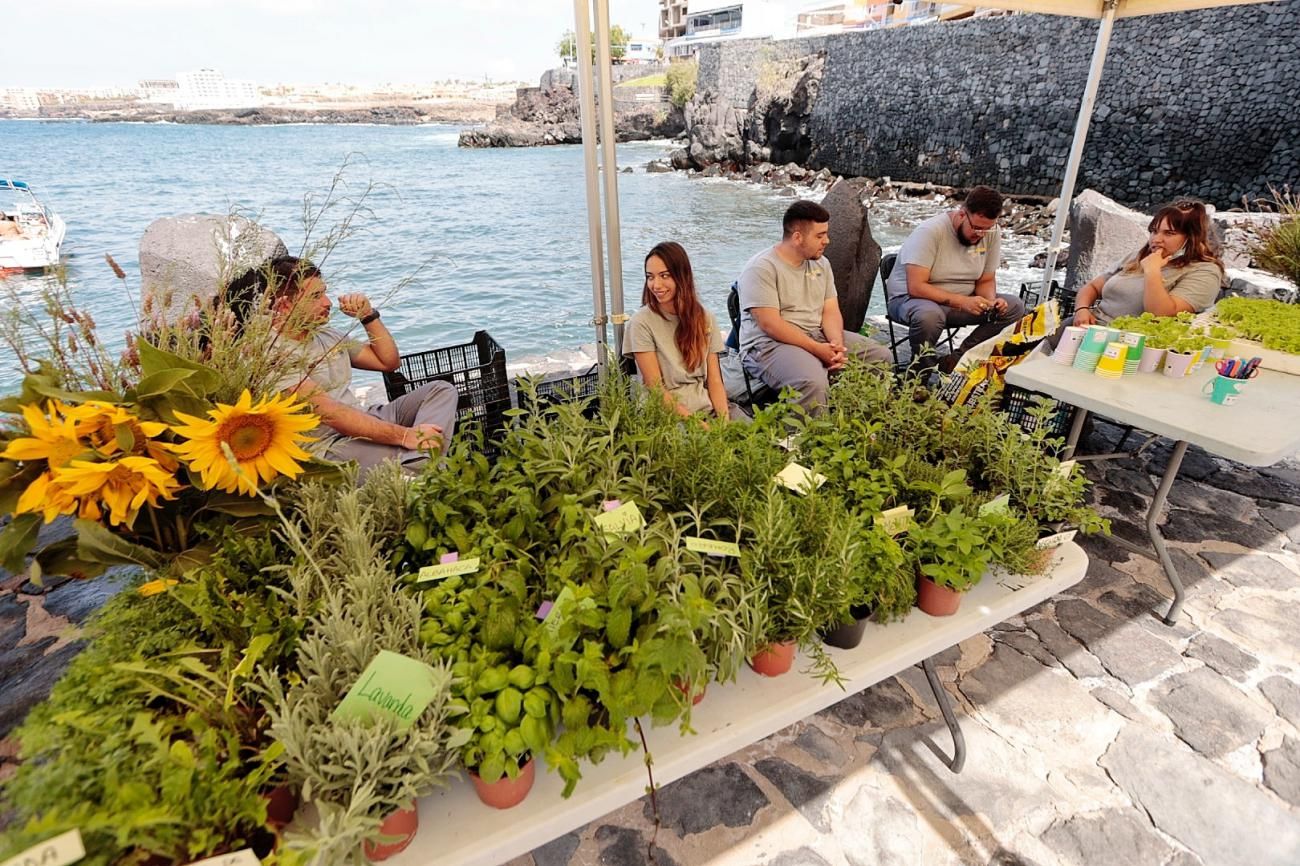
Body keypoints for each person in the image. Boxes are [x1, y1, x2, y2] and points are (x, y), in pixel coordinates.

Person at [253, 256, 458, 480]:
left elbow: (387, 362)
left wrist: (368, 316)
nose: (327, 302)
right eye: (315, 296)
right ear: (285, 305)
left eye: (324, 292)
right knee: (410, 460)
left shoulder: (324, 334)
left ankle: (420, 459)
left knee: (440, 390)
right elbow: (332, 415)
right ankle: (423, 465)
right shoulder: (271, 352)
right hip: (328, 444)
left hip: (361, 418)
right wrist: (406, 435)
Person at [737, 200, 892, 412]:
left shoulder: (822, 264)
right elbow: (770, 324)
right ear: (797, 237)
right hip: (768, 344)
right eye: (819, 236)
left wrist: (836, 344)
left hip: (815, 334)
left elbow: (830, 311)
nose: (827, 241)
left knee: (881, 357)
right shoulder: (761, 268)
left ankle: (859, 424)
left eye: (826, 234)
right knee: (813, 383)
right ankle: (803, 440)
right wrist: (818, 350)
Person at [884, 185, 1026, 371]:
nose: (980, 234)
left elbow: (985, 280)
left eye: (987, 229)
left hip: (961, 300)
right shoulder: (930, 232)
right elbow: (916, 287)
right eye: (976, 228)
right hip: (912, 300)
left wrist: (991, 302)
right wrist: (962, 302)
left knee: (1015, 307)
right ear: (961, 214)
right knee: (930, 316)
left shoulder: (990, 232)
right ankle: (920, 373)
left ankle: (957, 359)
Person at [625, 241, 743, 421]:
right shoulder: (641, 323)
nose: (656, 285)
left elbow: (715, 381)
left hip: (704, 406)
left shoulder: (705, 318)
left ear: (682, 276)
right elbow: (655, 388)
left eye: (664, 275)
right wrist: (699, 427)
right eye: (650, 277)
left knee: (753, 435)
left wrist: (723, 422)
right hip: (665, 414)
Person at [1066, 199, 1224, 330]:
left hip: (1127, 344)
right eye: (1154, 231)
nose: (1156, 239)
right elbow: (1092, 287)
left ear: (1192, 237)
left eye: (1169, 233)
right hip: (1088, 326)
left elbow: (1162, 314)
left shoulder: (1205, 271)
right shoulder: (1138, 256)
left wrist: (1153, 271)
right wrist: (1082, 309)